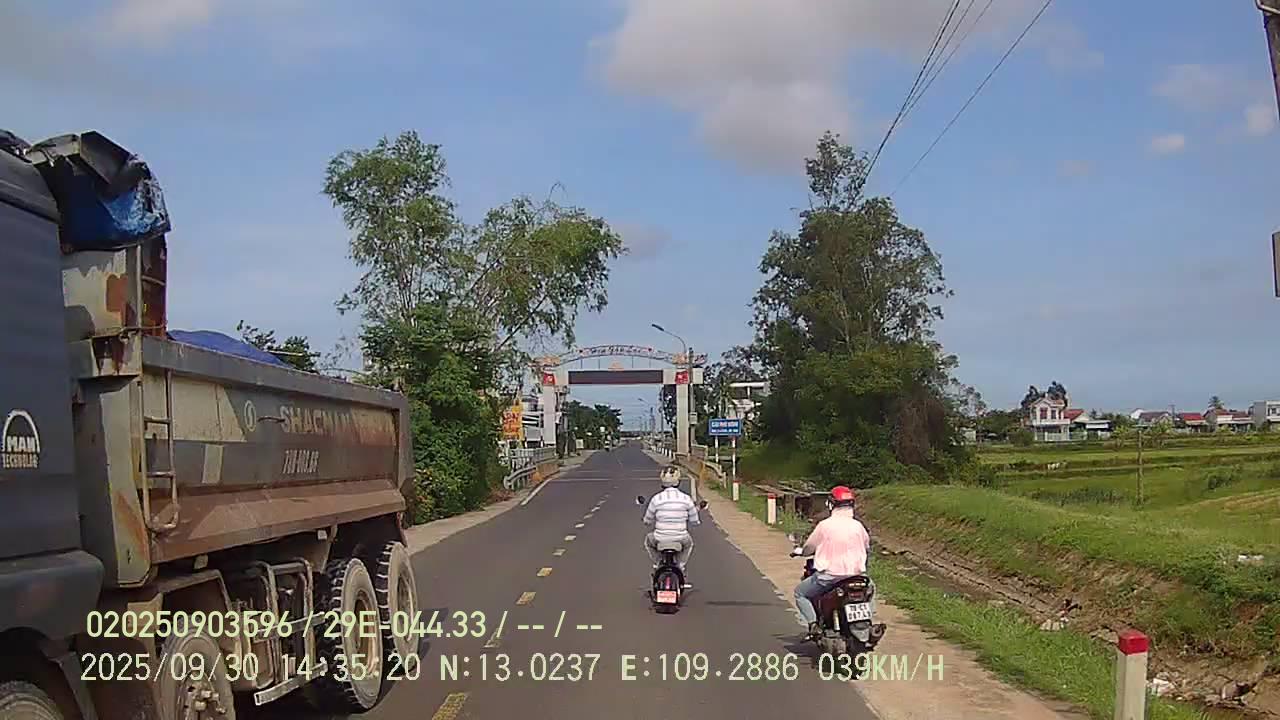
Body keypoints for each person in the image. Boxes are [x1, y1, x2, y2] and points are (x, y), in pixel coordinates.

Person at [792, 485, 871, 639]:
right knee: (870, 589)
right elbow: (866, 546)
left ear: (831, 504)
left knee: (800, 593)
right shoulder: (858, 526)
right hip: (857, 576)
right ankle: (870, 620)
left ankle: (813, 625)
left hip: (829, 576)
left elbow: (809, 548)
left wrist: (800, 551)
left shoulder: (824, 526)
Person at [643, 466, 700, 581]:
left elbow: (647, 520)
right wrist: (694, 521)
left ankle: (658, 562)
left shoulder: (656, 499)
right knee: (689, 544)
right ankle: (680, 565)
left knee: (648, 541)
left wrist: (648, 521)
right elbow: (694, 520)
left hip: (659, 537)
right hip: (681, 537)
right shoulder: (686, 499)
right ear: (678, 481)